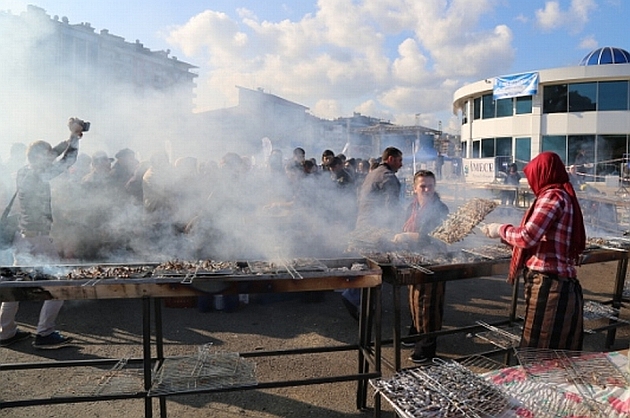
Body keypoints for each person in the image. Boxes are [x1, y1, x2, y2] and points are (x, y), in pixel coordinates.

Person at [481, 151, 586, 350]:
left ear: (543, 173)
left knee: (540, 351)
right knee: (557, 352)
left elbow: (527, 237)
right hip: (558, 284)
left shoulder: (552, 196)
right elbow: (542, 237)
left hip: (550, 286)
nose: (531, 184)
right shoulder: (563, 195)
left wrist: (500, 230)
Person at [0, 117, 87, 349]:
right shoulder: (40, 175)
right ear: (41, 158)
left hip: (23, 236)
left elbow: (55, 153)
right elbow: (67, 159)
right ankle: (45, 333)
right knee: (59, 285)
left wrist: (70, 136)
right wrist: (75, 140)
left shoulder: (24, 170)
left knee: (16, 286)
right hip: (38, 238)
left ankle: (5, 331)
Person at [392, 170, 449, 363]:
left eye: (430, 186)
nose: (426, 189)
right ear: (415, 188)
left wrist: (408, 237)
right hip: (414, 259)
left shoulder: (440, 209)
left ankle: (426, 348)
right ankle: (416, 333)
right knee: (415, 299)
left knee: (429, 305)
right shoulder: (412, 207)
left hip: (434, 262)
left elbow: (438, 238)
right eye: (422, 186)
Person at [342, 147, 403, 319]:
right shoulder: (388, 177)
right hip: (376, 229)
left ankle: (359, 300)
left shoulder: (373, 172)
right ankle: (355, 298)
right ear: (390, 159)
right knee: (378, 267)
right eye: (399, 160)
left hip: (364, 224)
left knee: (369, 264)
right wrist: (394, 230)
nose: (401, 164)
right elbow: (391, 208)